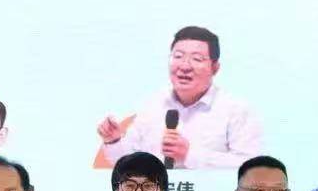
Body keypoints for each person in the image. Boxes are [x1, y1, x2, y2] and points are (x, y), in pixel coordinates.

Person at [96, 26, 264, 171]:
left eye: (197, 59)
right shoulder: (153, 105)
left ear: (215, 67)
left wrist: (190, 155)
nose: (184, 66)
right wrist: (113, 141)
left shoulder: (235, 110)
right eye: (178, 56)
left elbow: (250, 167)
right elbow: (128, 164)